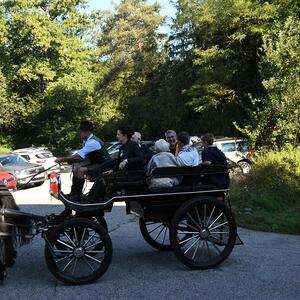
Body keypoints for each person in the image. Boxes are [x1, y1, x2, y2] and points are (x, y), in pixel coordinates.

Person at [79, 126, 144, 204]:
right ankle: (90, 197)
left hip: (132, 174)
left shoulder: (133, 145)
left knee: (104, 178)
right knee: (102, 175)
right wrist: (112, 170)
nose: (117, 137)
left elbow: (140, 158)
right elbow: (119, 162)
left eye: (118, 134)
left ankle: (95, 199)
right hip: (124, 173)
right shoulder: (122, 147)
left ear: (125, 135)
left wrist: (127, 161)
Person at [55, 121, 111, 201]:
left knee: (81, 170)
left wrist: (62, 159)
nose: (80, 133)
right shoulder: (86, 140)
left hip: (104, 165)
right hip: (97, 163)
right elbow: (81, 156)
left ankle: (78, 195)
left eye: (81, 131)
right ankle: (73, 193)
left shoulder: (93, 142)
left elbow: (78, 157)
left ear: (87, 131)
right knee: (75, 167)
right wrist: (72, 161)